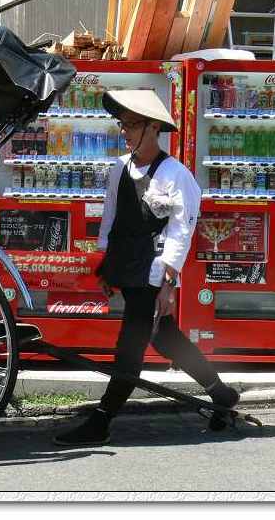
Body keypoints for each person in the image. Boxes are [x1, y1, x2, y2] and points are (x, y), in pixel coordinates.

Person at [53, 89, 239, 446]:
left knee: (130, 346)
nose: (124, 131)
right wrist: (105, 264)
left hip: (154, 270)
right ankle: (222, 395)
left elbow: (181, 229)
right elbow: (110, 218)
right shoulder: (118, 168)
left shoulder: (175, 174)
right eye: (122, 124)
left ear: (154, 127)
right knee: (166, 338)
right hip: (126, 264)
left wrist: (169, 282)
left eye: (132, 124)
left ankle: (102, 420)